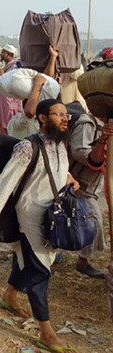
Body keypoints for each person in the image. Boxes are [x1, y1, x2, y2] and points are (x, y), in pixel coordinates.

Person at [0, 100, 79, 353]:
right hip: (31, 216)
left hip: (52, 215)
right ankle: (46, 331)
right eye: (59, 114)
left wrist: (68, 178)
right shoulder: (27, 147)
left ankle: (10, 295)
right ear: (43, 118)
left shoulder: (60, 143)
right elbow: (5, 184)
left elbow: (57, 170)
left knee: (31, 259)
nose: (65, 119)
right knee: (39, 271)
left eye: (66, 115)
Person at [68, 109, 113, 278]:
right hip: (80, 183)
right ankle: (83, 262)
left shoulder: (102, 126)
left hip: (90, 185)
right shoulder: (87, 123)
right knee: (92, 221)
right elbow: (80, 152)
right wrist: (100, 146)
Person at [0, 44, 24, 135]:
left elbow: (11, 84)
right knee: (3, 124)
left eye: (3, 52)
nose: (1, 54)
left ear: (9, 54)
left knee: (10, 125)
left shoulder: (14, 68)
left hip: (11, 102)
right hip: (3, 101)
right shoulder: (7, 67)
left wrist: (1, 75)